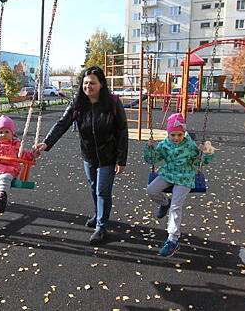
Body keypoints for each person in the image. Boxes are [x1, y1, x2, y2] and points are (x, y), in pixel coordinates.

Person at [35, 66, 128, 245]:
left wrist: (121, 159)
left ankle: (101, 227)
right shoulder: (78, 103)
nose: (88, 86)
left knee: (102, 191)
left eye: (92, 83)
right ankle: (97, 214)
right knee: (94, 187)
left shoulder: (113, 103)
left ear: (101, 84)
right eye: (85, 83)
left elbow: (122, 131)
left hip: (108, 156)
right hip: (89, 155)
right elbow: (62, 124)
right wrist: (46, 143)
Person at [144, 113, 215, 257]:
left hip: (185, 177)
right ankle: (165, 203)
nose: (176, 138)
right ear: (168, 134)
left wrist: (207, 151)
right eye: (173, 135)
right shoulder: (164, 144)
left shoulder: (190, 146)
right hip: (168, 174)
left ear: (184, 133)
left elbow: (203, 161)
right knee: (151, 190)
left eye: (179, 134)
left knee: (176, 206)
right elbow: (152, 160)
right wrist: (150, 147)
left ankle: (173, 239)